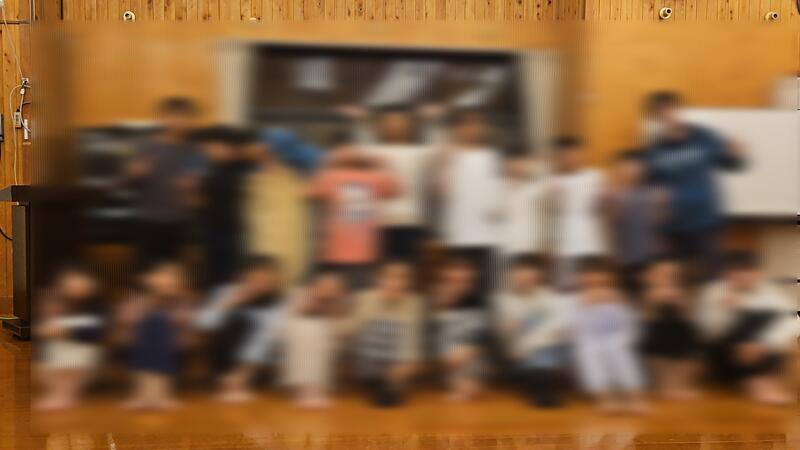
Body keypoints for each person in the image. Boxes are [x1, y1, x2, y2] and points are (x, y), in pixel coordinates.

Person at [643, 91, 746, 281]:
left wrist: (737, 155)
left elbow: (733, 165)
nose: (667, 115)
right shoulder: (654, 150)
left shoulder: (704, 136)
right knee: (678, 280)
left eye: (670, 109)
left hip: (707, 222)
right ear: (654, 118)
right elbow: (651, 186)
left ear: (679, 110)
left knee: (714, 278)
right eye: (659, 112)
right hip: (674, 226)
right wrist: (656, 203)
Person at [697, 251, 797, 405]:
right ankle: (757, 383)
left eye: (750, 272)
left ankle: (762, 380)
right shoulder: (713, 292)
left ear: (759, 273)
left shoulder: (771, 292)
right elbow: (706, 331)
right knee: (745, 321)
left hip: (762, 353)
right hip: (723, 353)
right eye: (738, 272)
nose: (744, 277)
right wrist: (728, 313)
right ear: (727, 273)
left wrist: (763, 343)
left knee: (765, 320)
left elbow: (792, 323)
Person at [307, 134, 399, 289]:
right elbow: (310, 192)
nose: (347, 154)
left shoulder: (375, 177)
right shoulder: (330, 176)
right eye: (342, 150)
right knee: (334, 293)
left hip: (367, 252)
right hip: (334, 251)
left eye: (350, 149)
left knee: (362, 293)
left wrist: (379, 162)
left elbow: (396, 190)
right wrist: (327, 162)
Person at [120, 97, 204, 266]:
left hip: (178, 222)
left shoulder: (194, 150)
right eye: (174, 115)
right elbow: (124, 183)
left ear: (191, 121)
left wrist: (193, 189)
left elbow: (198, 193)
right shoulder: (143, 146)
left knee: (172, 270)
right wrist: (133, 174)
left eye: (185, 117)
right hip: (147, 220)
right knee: (145, 270)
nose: (179, 121)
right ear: (162, 118)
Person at [195, 255, 285, 403]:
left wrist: (243, 373)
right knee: (238, 319)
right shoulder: (225, 292)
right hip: (223, 353)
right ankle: (228, 380)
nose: (262, 283)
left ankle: (237, 381)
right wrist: (230, 303)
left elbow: (271, 335)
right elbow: (203, 323)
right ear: (245, 276)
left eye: (268, 279)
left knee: (265, 327)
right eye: (258, 277)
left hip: (254, 363)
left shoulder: (277, 303)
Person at [568, 257, 648, 415]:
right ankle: (605, 398)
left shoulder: (618, 296)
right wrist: (583, 307)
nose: (595, 278)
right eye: (589, 274)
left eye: (600, 274)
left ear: (610, 276)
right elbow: (573, 328)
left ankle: (635, 398)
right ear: (580, 278)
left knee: (622, 357)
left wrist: (617, 305)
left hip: (617, 337)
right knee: (590, 358)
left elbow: (630, 322)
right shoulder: (576, 299)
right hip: (588, 340)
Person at [436, 108, 503, 294]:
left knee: (488, 286)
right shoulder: (449, 157)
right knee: (460, 288)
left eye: (479, 124)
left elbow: (499, 198)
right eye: (468, 124)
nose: (474, 128)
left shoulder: (493, 157)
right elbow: (442, 192)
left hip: (489, 234)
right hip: (458, 234)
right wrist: (447, 162)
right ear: (458, 128)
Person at [339, 260, 424, 407]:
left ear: (407, 283)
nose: (395, 283)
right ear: (379, 279)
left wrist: (407, 365)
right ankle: (378, 382)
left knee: (390, 397)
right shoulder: (366, 298)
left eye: (401, 279)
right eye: (389, 278)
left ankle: (388, 385)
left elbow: (412, 341)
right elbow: (352, 328)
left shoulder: (414, 303)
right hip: (368, 358)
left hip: (396, 361)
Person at [117, 261, 195, 411]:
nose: (166, 281)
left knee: (159, 323)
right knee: (152, 326)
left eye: (172, 277)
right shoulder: (139, 297)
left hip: (171, 343)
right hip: (141, 343)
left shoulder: (184, 299)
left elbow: (186, 320)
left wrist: (172, 310)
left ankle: (160, 395)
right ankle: (142, 395)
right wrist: (149, 302)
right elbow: (126, 317)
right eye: (162, 276)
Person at [492, 254, 567, 408]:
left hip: (545, 346)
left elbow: (559, 325)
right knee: (537, 355)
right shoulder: (502, 300)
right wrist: (509, 332)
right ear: (510, 275)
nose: (523, 278)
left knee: (545, 348)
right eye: (518, 273)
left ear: (538, 276)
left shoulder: (548, 296)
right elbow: (504, 337)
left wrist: (529, 343)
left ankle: (542, 389)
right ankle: (542, 390)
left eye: (529, 273)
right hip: (519, 353)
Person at [364, 105, 436, 262]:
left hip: (414, 221)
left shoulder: (422, 152)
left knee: (413, 267)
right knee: (381, 267)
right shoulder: (371, 151)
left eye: (401, 121)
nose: (395, 125)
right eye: (389, 121)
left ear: (411, 124)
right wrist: (360, 123)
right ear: (380, 125)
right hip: (380, 223)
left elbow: (439, 156)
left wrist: (432, 123)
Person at [34, 264, 106, 412]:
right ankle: (58, 393)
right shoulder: (62, 308)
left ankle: (65, 395)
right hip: (59, 353)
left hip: (84, 353)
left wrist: (67, 332)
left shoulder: (96, 309)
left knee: (70, 366)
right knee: (48, 367)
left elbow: (95, 333)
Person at [242, 139, 310, 285]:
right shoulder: (253, 182)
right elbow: (251, 219)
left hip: (289, 249)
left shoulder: (294, 180)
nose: (266, 162)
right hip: (264, 248)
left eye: (269, 156)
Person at [602, 149, 668, 295]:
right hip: (624, 257)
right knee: (627, 293)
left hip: (651, 255)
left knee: (650, 293)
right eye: (626, 166)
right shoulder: (611, 193)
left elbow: (661, 222)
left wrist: (661, 205)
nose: (631, 171)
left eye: (636, 166)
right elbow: (608, 224)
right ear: (618, 169)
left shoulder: (652, 191)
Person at [193, 126, 252, 287]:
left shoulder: (243, 171)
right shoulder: (214, 170)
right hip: (215, 234)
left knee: (230, 281)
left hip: (234, 238)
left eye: (211, 147)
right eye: (205, 149)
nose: (207, 152)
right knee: (216, 280)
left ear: (228, 147)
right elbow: (203, 203)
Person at [546, 136, 606, 291]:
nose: (569, 158)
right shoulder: (550, 181)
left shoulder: (595, 177)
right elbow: (549, 216)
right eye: (563, 154)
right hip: (563, 243)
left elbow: (602, 211)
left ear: (582, 153)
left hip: (591, 242)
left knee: (592, 285)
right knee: (566, 289)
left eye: (573, 153)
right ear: (556, 157)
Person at [282, 269, 348, 409]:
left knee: (322, 334)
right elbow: (293, 314)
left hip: (323, 333)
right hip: (299, 330)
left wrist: (331, 304)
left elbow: (336, 321)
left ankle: (316, 388)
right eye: (324, 285)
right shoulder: (302, 294)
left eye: (333, 287)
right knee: (307, 330)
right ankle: (303, 389)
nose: (328, 289)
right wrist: (312, 301)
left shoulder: (339, 301)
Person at [639, 255, 701, 400]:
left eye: (672, 275)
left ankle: (680, 384)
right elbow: (649, 315)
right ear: (649, 276)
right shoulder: (648, 292)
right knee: (663, 355)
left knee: (685, 348)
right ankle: (665, 386)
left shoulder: (680, 291)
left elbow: (686, 313)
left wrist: (681, 301)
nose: (667, 278)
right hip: (656, 336)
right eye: (661, 274)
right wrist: (661, 298)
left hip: (679, 335)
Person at [431, 257, 488, 402]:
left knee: (473, 364)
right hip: (447, 355)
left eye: (464, 279)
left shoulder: (479, 300)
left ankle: (468, 385)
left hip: (471, 354)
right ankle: (462, 385)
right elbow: (437, 336)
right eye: (453, 279)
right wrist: (442, 306)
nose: (458, 284)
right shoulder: (438, 299)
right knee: (448, 358)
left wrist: (465, 353)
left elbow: (481, 336)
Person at [498, 149, 546, 262]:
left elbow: (545, 170)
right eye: (513, 163)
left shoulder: (537, 187)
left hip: (530, 246)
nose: (518, 166)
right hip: (505, 247)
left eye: (522, 162)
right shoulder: (498, 187)